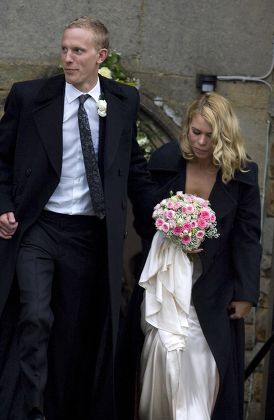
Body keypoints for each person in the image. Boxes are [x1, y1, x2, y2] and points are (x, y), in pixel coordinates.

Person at [0, 16, 155, 420]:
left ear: (100, 56)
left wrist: (163, 222)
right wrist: (3, 205)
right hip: (40, 228)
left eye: (78, 51)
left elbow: (133, 168)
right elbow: (0, 160)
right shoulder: (31, 97)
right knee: (35, 316)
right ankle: (30, 411)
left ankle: (62, 409)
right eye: (64, 49)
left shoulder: (122, 101)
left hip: (90, 235)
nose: (68, 58)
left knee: (74, 333)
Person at [124, 92, 262, 420]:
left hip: (213, 287)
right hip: (166, 283)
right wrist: (170, 228)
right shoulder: (165, 161)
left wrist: (246, 293)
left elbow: (247, 237)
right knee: (162, 352)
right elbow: (144, 220)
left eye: (209, 135)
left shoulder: (242, 174)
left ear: (224, 134)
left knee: (203, 360)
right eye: (194, 132)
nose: (200, 141)